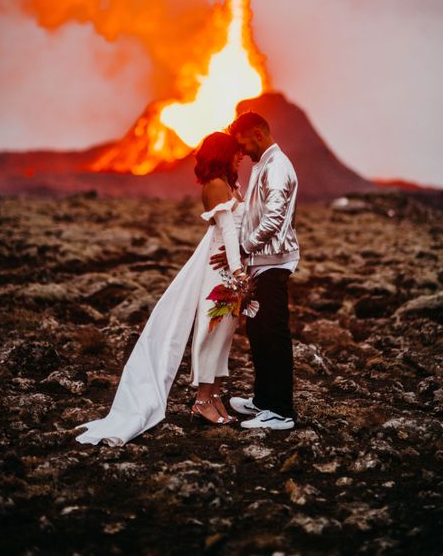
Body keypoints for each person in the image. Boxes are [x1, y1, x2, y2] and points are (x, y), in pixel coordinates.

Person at [75, 132, 247, 446]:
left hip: (231, 268)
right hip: (221, 271)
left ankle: (215, 396)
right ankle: (202, 400)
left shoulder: (229, 183)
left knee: (224, 336)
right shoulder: (217, 186)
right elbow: (228, 232)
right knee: (211, 333)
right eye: (236, 152)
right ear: (223, 153)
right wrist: (238, 271)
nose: (241, 157)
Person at [211, 111, 299, 430]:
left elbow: (274, 220)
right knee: (259, 332)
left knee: (273, 333)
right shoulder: (264, 165)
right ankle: (263, 400)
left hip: (273, 263)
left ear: (258, 134)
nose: (242, 151)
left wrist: (243, 248)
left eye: (244, 143)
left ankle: (281, 411)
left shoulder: (277, 168)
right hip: (261, 264)